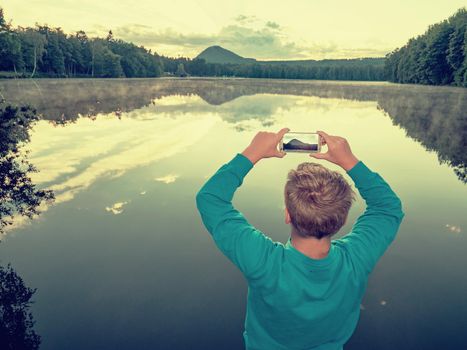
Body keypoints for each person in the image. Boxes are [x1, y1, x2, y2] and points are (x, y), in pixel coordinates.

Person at [195, 128, 405, 350]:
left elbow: (210, 199)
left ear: (287, 214)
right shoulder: (356, 260)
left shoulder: (264, 262)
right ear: (343, 221)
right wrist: (349, 161)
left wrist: (252, 153)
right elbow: (387, 208)